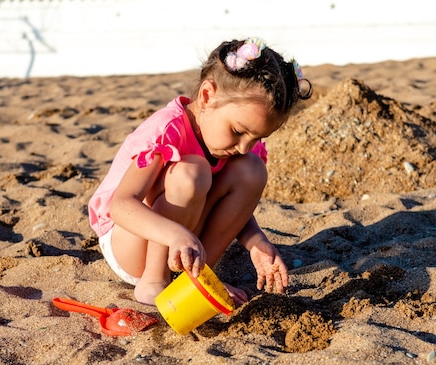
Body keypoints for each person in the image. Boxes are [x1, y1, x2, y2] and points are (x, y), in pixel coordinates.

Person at [88, 37, 313, 306]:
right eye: (239, 132)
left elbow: (226, 203)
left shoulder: (236, 146)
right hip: (131, 242)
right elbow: (121, 206)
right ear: (207, 96)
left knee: (252, 169)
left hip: (183, 241)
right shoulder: (167, 129)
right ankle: (154, 282)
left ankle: (197, 278)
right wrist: (173, 233)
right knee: (192, 172)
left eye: (256, 138)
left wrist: (256, 242)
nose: (244, 147)